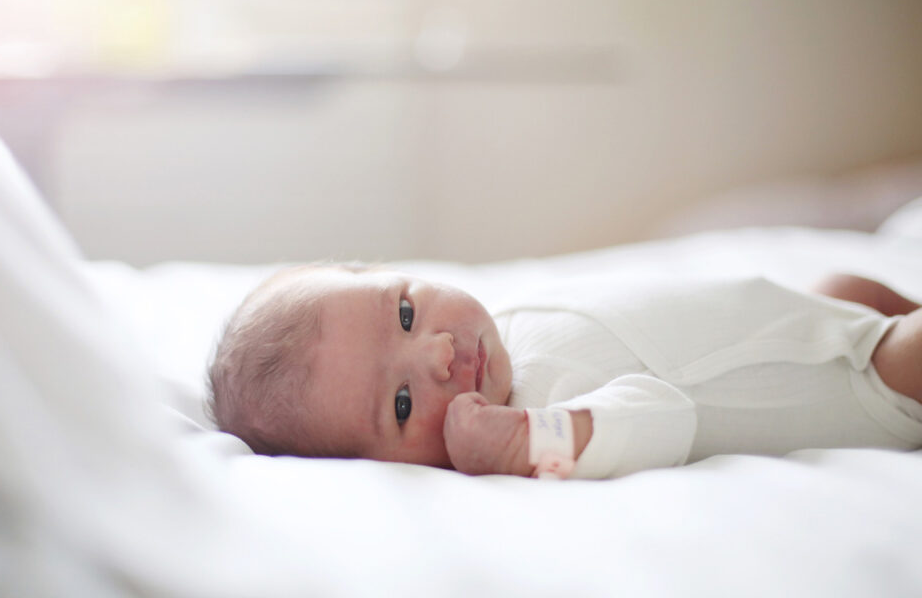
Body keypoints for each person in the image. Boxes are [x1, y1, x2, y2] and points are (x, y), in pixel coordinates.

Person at [207, 265, 922, 479]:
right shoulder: (539, 417)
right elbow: (664, 416)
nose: (438, 354)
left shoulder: (497, 340)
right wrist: (533, 443)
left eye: (402, 313)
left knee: (844, 285)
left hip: (794, 316)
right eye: (400, 404)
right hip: (856, 378)